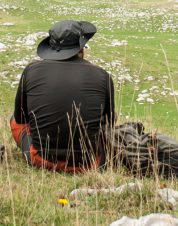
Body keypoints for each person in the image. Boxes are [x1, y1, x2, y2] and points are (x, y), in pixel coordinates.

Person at [10, 19, 115, 172]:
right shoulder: (103, 76)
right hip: (89, 163)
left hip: (40, 159)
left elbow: (20, 118)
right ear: (81, 48)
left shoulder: (31, 70)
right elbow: (109, 122)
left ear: (51, 47)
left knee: (15, 123)